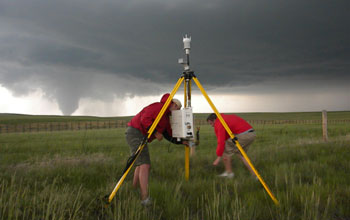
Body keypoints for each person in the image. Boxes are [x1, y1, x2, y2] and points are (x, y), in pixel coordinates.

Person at [126, 93, 185, 206]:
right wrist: (155, 133)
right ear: (172, 104)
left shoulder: (166, 119)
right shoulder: (158, 107)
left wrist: (182, 142)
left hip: (140, 135)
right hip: (135, 132)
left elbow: (168, 135)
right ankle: (144, 199)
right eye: (178, 107)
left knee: (140, 163)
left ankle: (133, 189)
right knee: (145, 165)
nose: (178, 110)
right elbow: (145, 119)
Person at [207, 113, 256, 178]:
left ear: (214, 120)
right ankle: (254, 175)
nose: (212, 125)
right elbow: (226, 136)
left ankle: (229, 173)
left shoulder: (220, 122)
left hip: (244, 135)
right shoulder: (225, 118)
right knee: (241, 154)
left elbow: (221, 141)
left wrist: (218, 157)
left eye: (211, 123)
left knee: (225, 149)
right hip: (251, 134)